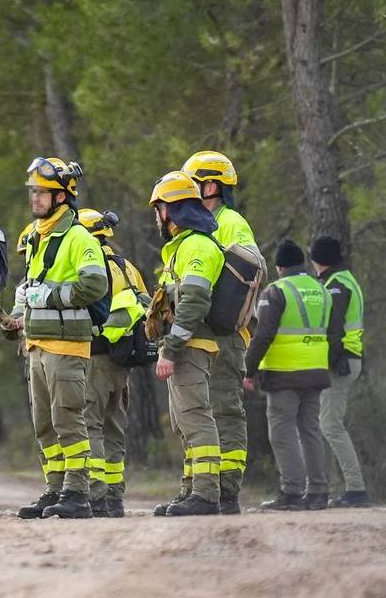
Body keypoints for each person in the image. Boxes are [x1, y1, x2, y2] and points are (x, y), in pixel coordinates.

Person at [10, 158, 107, 521]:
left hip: (66, 347)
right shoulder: (38, 237)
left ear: (62, 196)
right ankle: (54, 489)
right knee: (44, 424)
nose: (35, 198)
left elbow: (95, 285)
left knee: (68, 419)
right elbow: (36, 288)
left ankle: (77, 493)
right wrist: (20, 317)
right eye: (33, 191)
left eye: (43, 192)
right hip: (37, 344)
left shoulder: (78, 236)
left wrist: (48, 297)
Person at [181, 151, 262, 513]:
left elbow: (250, 269)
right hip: (205, 334)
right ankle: (196, 487)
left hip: (226, 338)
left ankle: (226, 490)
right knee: (197, 412)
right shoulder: (198, 227)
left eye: (191, 184)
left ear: (210, 186)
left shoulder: (231, 222)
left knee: (225, 411)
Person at [148, 170, 224, 517]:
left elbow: (193, 301)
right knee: (183, 422)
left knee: (195, 417)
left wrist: (170, 349)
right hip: (184, 344)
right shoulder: (180, 248)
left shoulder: (197, 246)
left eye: (160, 208)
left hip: (191, 346)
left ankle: (206, 495)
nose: (157, 217)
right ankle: (190, 490)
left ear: (173, 210)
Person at [244, 240, 332, 511]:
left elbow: (263, 335)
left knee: (282, 432)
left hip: (285, 373)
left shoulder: (277, 291)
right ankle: (318, 492)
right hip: (316, 370)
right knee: (311, 430)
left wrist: (250, 368)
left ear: (280, 267)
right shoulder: (321, 289)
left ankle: (291, 492)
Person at [77, 209, 148, 519]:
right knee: (114, 426)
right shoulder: (127, 267)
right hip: (123, 358)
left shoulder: (90, 265)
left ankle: (96, 495)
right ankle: (115, 495)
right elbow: (146, 305)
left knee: (90, 422)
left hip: (94, 356)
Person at [309, 236, 370, 507]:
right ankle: (347, 487)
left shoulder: (335, 286)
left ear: (317, 259)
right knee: (329, 423)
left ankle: (356, 489)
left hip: (341, 361)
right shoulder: (346, 280)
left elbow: (333, 330)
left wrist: (327, 362)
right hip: (349, 358)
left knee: (331, 425)